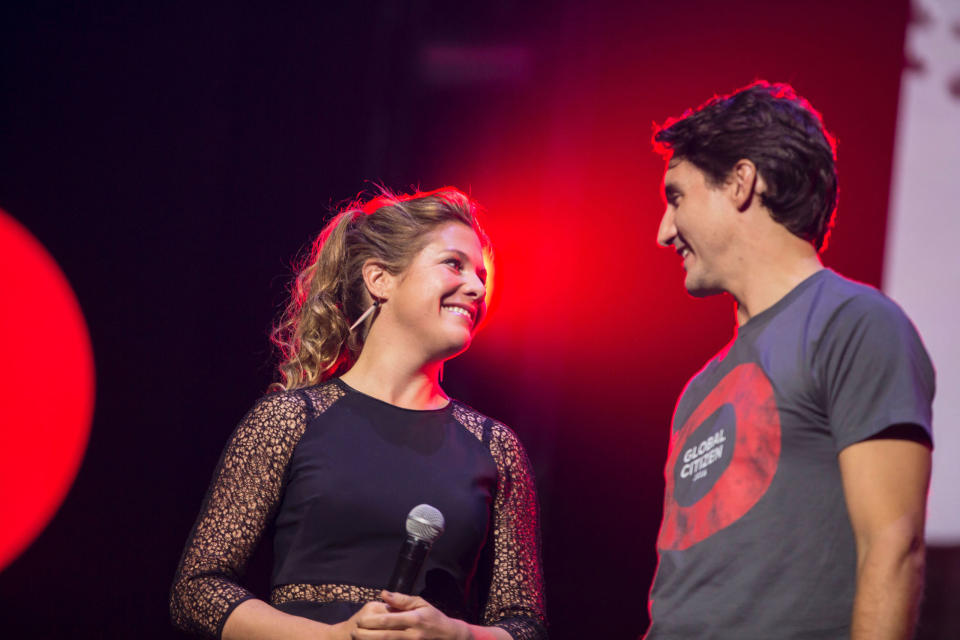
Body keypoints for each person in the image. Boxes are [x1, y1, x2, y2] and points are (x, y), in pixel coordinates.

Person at [169, 187, 547, 640]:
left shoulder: (495, 447)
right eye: (454, 264)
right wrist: (329, 637)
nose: (478, 287)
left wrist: (458, 636)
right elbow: (196, 591)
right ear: (380, 279)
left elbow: (525, 625)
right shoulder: (289, 420)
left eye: (481, 275)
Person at [644, 82, 934, 639]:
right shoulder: (698, 392)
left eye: (676, 196)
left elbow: (893, 547)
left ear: (740, 182)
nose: (663, 232)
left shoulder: (855, 323)